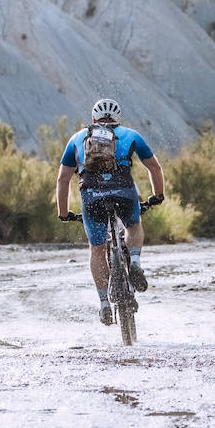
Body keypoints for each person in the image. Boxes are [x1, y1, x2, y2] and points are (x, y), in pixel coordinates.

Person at [56, 98, 165, 325]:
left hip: (91, 197)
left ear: (93, 119)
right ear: (118, 118)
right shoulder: (131, 135)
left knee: (97, 249)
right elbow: (154, 167)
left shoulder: (78, 138)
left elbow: (63, 178)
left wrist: (64, 212)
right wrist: (157, 195)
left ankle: (104, 303)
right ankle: (134, 261)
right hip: (124, 193)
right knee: (133, 225)